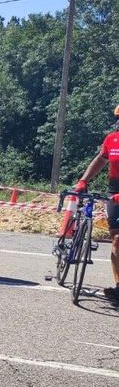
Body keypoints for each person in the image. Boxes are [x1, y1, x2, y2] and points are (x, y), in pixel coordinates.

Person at [70, 104, 119, 304]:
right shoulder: (112, 139)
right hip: (114, 191)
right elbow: (100, 160)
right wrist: (84, 180)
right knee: (117, 239)